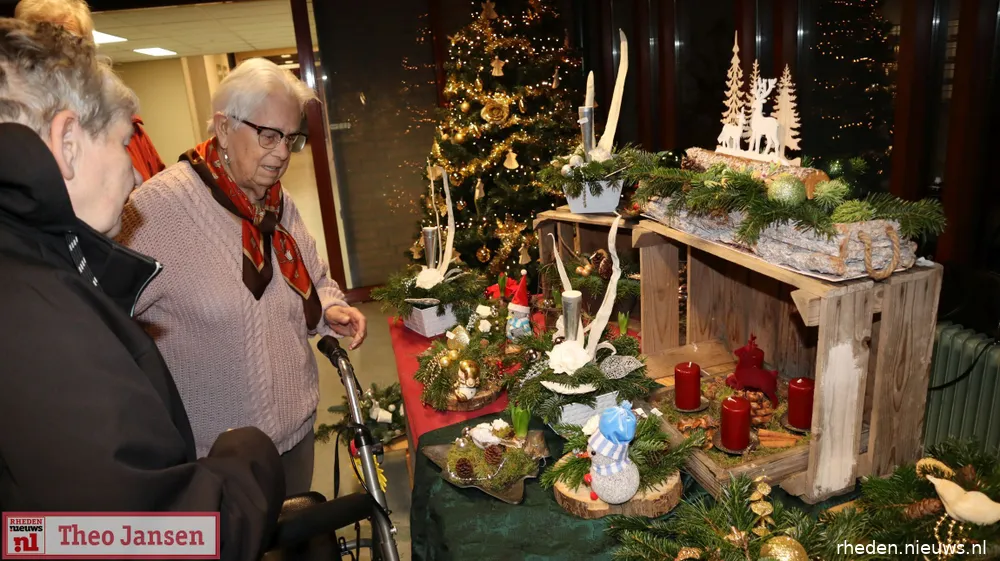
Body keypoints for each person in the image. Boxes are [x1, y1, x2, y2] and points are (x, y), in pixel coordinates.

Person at [0, 18, 284, 561]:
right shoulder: (41, 319)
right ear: (67, 143)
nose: (135, 175)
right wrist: (247, 454)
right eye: (123, 143)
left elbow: (40, 534)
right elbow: (164, 538)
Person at [118, 58, 368, 495]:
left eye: (291, 138)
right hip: (214, 458)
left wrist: (329, 307)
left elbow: (313, 276)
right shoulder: (155, 210)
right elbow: (105, 319)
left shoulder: (278, 202)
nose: (282, 152)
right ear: (223, 127)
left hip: (296, 434)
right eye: (268, 135)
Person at [14, 0, 166, 182]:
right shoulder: (15, 137)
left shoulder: (127, 129)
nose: (61, 58)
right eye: (46, 46)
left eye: (72, 44)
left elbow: (155, 188)